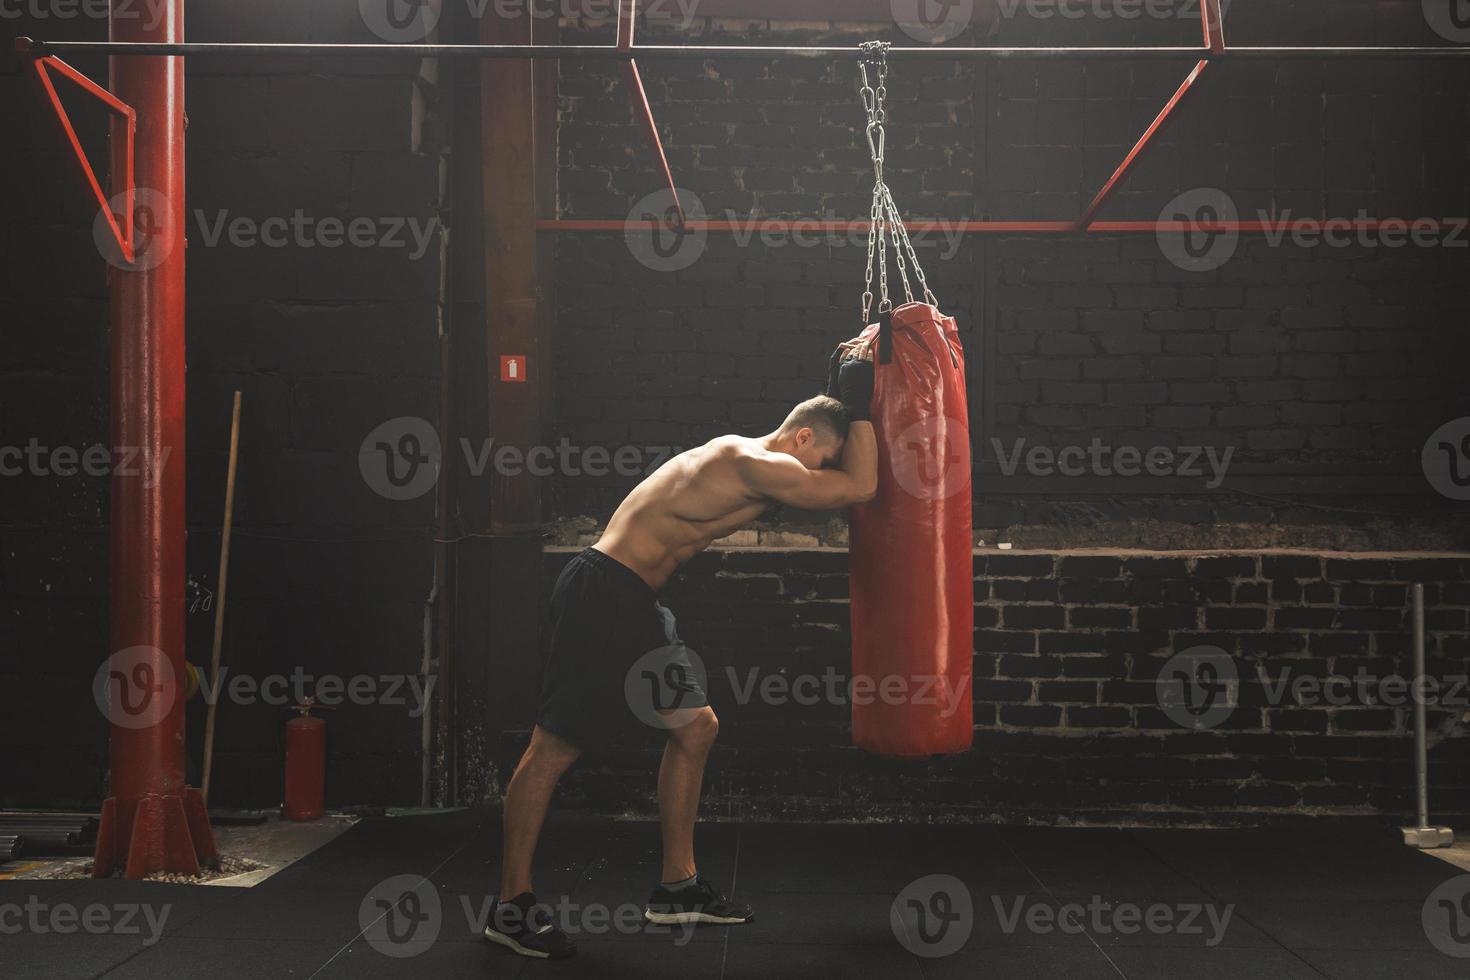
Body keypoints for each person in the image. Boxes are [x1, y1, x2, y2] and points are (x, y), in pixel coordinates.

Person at [485, 354, 878, 959]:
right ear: (802, 437)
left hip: (629, 597)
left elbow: (841, 480)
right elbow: (862, 487)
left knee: (695, 729)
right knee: (553, 747)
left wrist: (844, 398)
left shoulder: (746, 461)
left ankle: (677, 888)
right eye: (822, 458)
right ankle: (511, 908)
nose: (821, 475)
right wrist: (869, 411)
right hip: (603, 593)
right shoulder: (749, 461)